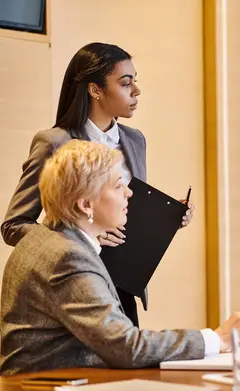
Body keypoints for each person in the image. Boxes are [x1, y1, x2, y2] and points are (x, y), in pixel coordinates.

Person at [0, 140, 240, 376]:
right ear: (85, 205)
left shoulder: (45, 238)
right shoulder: (67, 257)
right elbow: (125, 347)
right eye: (118, 186)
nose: (129, 194)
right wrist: (217, 338)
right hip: (45, 390)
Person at [1, 42, 194, 326]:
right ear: (95, 90)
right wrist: (82, 237)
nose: (136, 91)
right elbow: (13, 226)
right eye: (126, 83)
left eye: (135, 82)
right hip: (73, 284)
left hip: (125, 286)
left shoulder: (135, 140)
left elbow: (124, 209)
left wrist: (165, 217)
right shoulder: (55, 142)